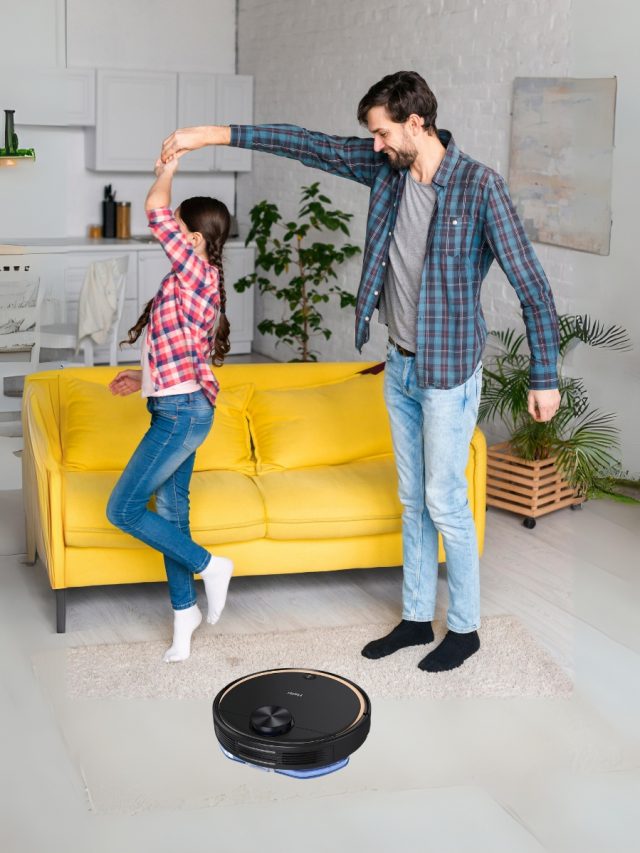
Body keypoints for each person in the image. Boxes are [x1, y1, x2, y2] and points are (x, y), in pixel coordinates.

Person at [161, 70, 561, 672]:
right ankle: (415, 617)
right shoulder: (388, 169)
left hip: (449, 371)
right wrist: (212, 134)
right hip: (399, 365)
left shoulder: (481, 189)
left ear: (415, 123)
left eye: (381, 133)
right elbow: (305, 143)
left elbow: (531, 285)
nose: (374, 145)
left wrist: (544, 375)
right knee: (411, 499)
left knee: (445, 500)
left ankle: (466, 628)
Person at [106, 154, 234, 663]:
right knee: (172, 515)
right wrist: (144, 376)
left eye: (181, 229)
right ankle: (184, 615)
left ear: (195, 240)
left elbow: (156, 208)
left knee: (123, 509)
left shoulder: (196, 270)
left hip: (181, 413)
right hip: (177, 402)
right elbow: (186, 349)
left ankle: (210, 565)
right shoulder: (196, 279)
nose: (171, 234)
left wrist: (169, 165)